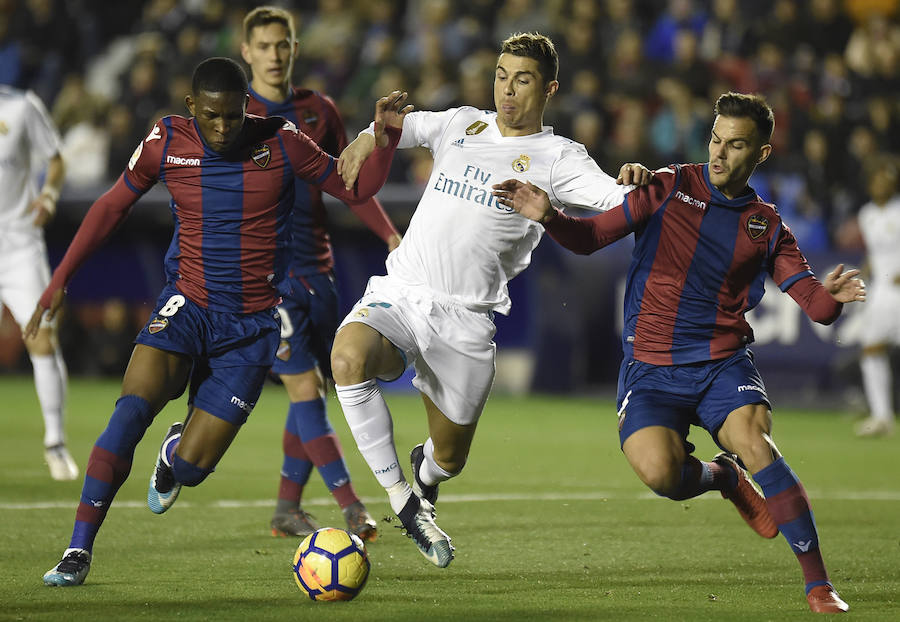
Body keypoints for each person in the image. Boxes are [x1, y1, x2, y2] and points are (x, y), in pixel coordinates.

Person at [29, 57, 408, 587]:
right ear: (191, 107)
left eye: (233, 116)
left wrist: (384, 141)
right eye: (212, 116)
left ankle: (175, 453)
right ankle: (77, 550)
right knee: (127, 416)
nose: (224, 127)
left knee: (192, 469)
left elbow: (353, 188)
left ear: (247, 107)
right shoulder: (165, 140)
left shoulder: (283, 141)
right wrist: (59, 278)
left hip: (251, 329)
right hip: (186, 306)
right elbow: (112, 206)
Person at [493, 92, 865, 614]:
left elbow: (816, 307)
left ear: (761, 153)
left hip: (721, 365)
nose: (719, 153)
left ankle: (819, 584)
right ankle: (723, 477)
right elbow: (589, 238)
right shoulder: (666, 186)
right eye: (715, 139)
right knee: (663, 476)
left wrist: (832, 297)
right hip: (649, 369)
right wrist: (548, 215)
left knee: (756, 444)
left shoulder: (766, 225)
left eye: (735, 145)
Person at [331, 32, 652, 568]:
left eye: (522, 80)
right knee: (347, 358)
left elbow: (616, 202)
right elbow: (404, 124)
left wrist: (636, 181)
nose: (507, 90)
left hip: (466, 321)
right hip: (403, 294)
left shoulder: (559, 157)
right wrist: (370, 135)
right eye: (501, 76)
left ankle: (426, 472)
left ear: (549, 88)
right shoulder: (462, 123)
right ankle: (403, 501)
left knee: (450, 459)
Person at [240, 6, 402, 542]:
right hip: (268, 277)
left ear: (294, 47)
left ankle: (287, 507)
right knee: (304, 385)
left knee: (314, 390)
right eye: (263, 46)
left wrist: (388, 235)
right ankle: (352, 506)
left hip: (321, 271)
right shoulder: (234, 116)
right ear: (247, 52)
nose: (274, 54)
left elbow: (347, 183)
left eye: (281, 44)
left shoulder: (318, 110)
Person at [0, 84, 76, 481]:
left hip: (18, 245)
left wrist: (47, 195)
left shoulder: (22, 106)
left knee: (42, 338)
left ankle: (55, 442)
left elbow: (56, 159)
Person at [855, 160, 900, 437]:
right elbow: (874, 253)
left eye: (886, 179)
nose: (881, 184)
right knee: (871, 349)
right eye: (876, 179)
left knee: (873, 350)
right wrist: (861, 274)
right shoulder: (866, 214)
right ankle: (881, 416)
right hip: (882, 293)